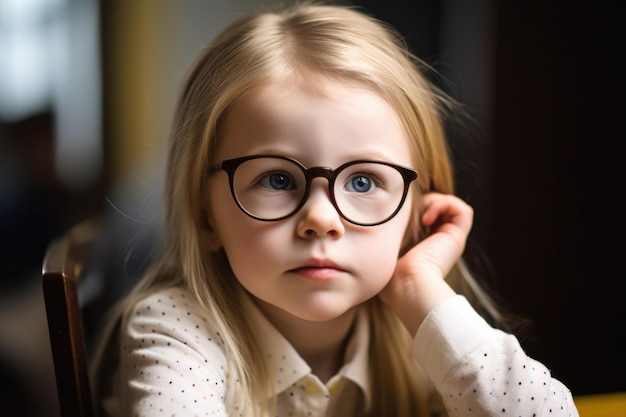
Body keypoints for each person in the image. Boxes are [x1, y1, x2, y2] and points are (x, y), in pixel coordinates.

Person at [91, 2, 580, 416]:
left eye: (364, 181)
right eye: (277, 179)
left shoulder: (421, 333)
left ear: (414, 212)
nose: (322, 219)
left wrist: (419, 288)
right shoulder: (175, 329)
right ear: (205, 215)